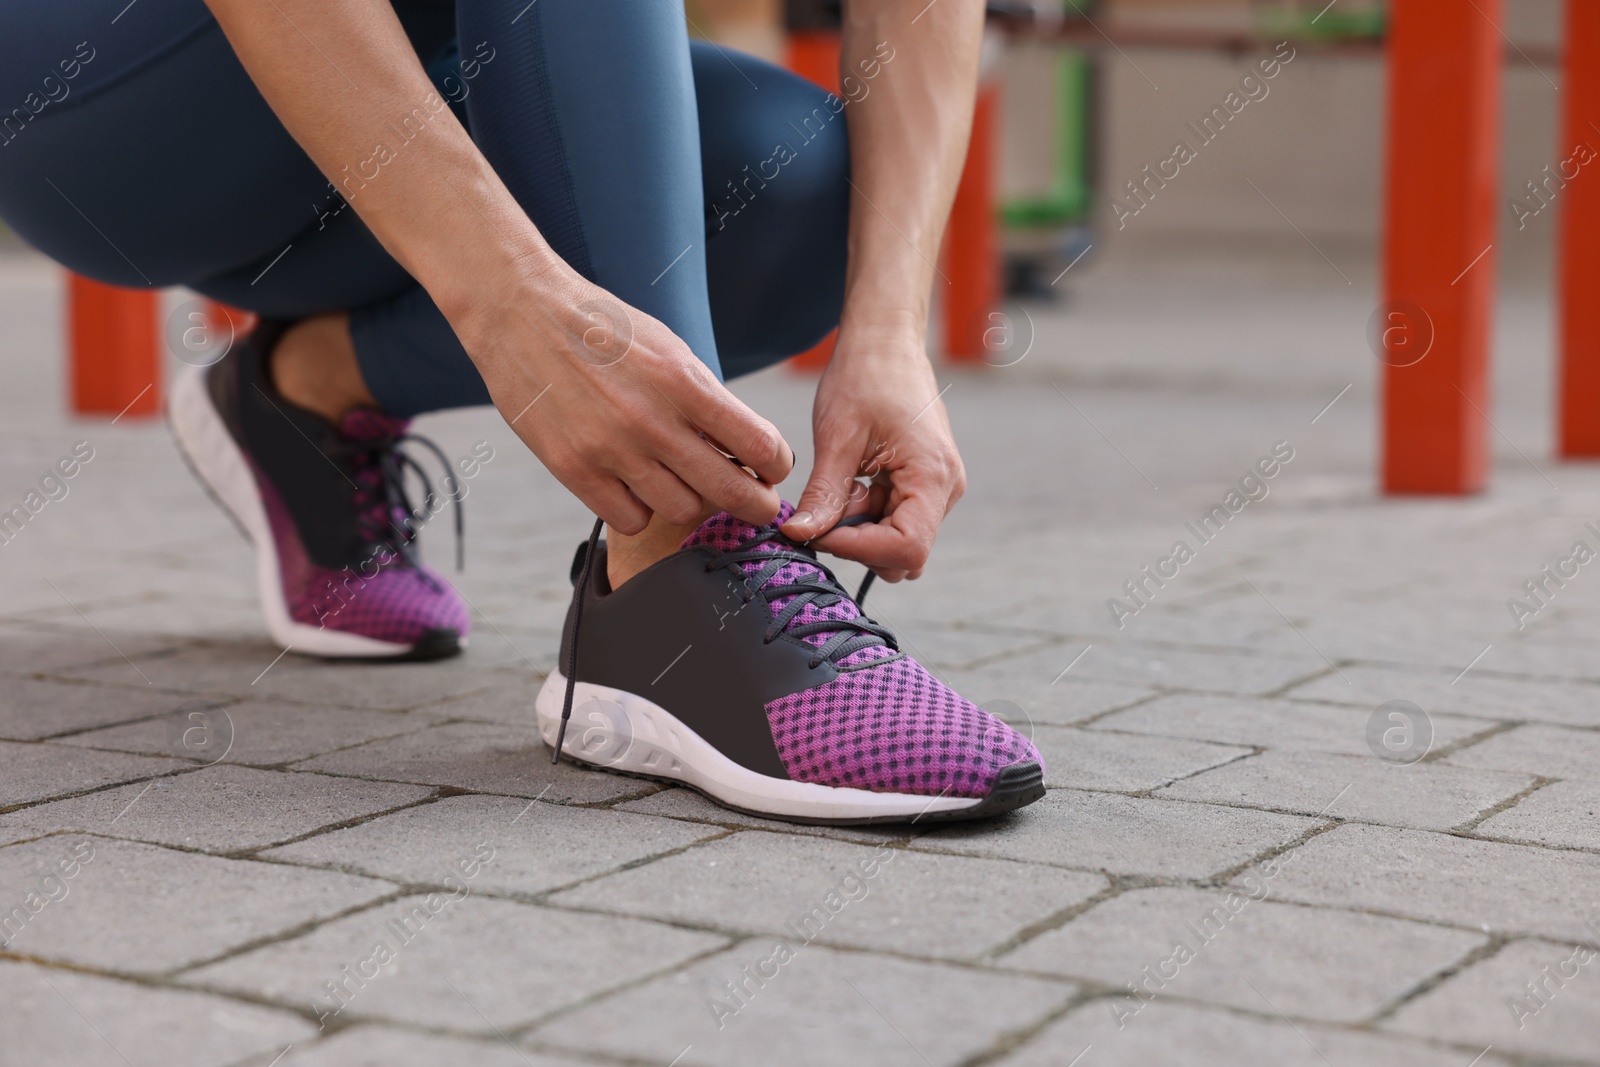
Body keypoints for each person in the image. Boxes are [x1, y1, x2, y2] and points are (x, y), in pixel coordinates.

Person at [0, 0, 1043, 823]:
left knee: (798, 186)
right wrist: (498, 289)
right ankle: (675, 569)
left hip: (390, 115)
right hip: (104, 108)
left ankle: (300, 394)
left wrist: (887, 333)